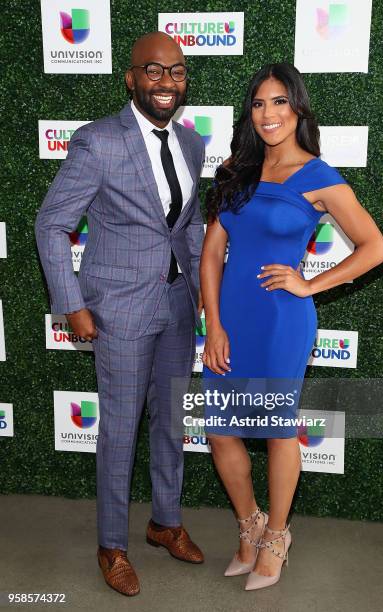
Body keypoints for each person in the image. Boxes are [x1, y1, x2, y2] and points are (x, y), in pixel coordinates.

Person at [199, 62, 383, 591]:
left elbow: (376, 248)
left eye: (279, 102)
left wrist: (310, 284)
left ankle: (277, 537)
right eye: (258, 104)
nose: (268, 114)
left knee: (280, 431)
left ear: (298, 108)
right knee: (220, 429)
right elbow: (212, 254)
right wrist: (213, 324)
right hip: (230, 319)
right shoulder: (237, 168)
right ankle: (249, 526)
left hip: (281, 321)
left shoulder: (318, 175)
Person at [35, 31, 205, 597]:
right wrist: (72, 303)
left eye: (176, 72)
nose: (166, 82)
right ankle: (112, 545)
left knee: (171, 425)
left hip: (179, 305)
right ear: (131, 79)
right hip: (119, 312)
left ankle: (164, 522)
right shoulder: (97, 142)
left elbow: (190, 225)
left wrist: (204, 296)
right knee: (120, 430)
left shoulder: (191, 142)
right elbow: (52, 224)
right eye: (153, 71)